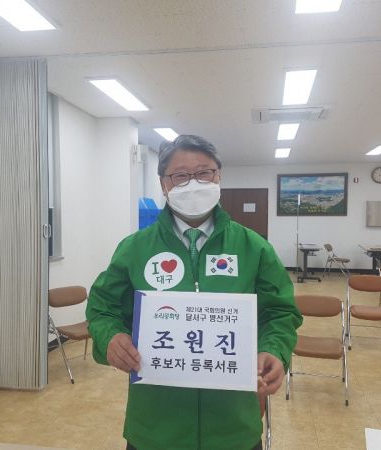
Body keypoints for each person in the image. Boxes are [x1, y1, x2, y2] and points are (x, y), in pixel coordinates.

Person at [86, 134, 302, 450]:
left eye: (203, 173)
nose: (194, 184)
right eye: (181, 176)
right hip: (155, 427)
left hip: (233, 426)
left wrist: (274, 349)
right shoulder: (135, 248)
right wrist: (111, 338)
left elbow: (280, 312)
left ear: (218, 177)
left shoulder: (253, 247)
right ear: (164, 184)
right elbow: (102, 307)